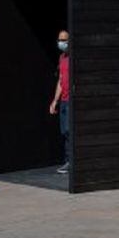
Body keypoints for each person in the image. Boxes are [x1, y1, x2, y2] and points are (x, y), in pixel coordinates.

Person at [48, 30, 70, 174]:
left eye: (64, 40)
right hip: (63, 100)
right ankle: (68, 161)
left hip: (71, 101)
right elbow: (61, 81)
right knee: (65, 132)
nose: (61, 43)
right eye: (59, 40)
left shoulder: (74, 58)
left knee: (70, 131)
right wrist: (55, 101)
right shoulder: (62, 58)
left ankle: (72, 161)